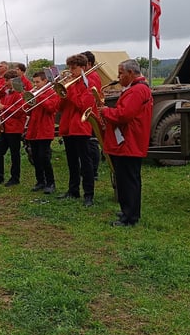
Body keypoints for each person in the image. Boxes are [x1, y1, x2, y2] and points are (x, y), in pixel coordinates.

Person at [99, 59, 153, 226]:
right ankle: (128, 210)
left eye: (121, 73)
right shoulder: (136, 89)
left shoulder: (137, 90)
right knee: (127, 178)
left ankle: (129, 217)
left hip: (129, 141)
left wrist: (106, 111)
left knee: (128, 180)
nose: (118, 77)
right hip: (129, 140)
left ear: (131, 73)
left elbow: (124, 115)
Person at [57, 54, 96, 207]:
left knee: (85, 162)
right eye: (70, 68)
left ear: (83, 68)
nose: (71, 72)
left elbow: (83, 106)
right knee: (72, 161)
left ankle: (89, 194)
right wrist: (62, 94)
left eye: (74, 68)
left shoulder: (89, 84)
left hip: (81, 127)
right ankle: (73, 190)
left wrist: (70, 89)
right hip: (68, 127)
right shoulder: (70, 84)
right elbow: (59, 107)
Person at [0, 70, 26, 186]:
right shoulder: (8, 93)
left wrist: (3, 107)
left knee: (15, 154)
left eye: (7, 80)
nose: (5, 83)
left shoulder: (19, 93)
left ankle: (15, 178)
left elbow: (20, 111)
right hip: (5, 127)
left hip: (14, 128)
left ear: (13, 80)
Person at [25, 70, 59, 194]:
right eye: (34, 82)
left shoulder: (52, 93)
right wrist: (28, 102)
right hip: (33, 128)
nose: (35, 85)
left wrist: (39, 96)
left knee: (44, 157)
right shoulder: (35, 93)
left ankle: (51, 182)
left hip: (45, 129)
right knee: (35, 156)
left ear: (45, 81)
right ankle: (40, 181)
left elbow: (51, 108)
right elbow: (28, 111)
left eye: (38, 82)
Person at [82, 51, 103, 181]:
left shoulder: (92, 76)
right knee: (88, 144)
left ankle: (93, 171)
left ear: (89, 64)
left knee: (92, 143)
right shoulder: (87, 75)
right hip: (88, 113)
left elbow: (91, 95)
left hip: (92, 113)